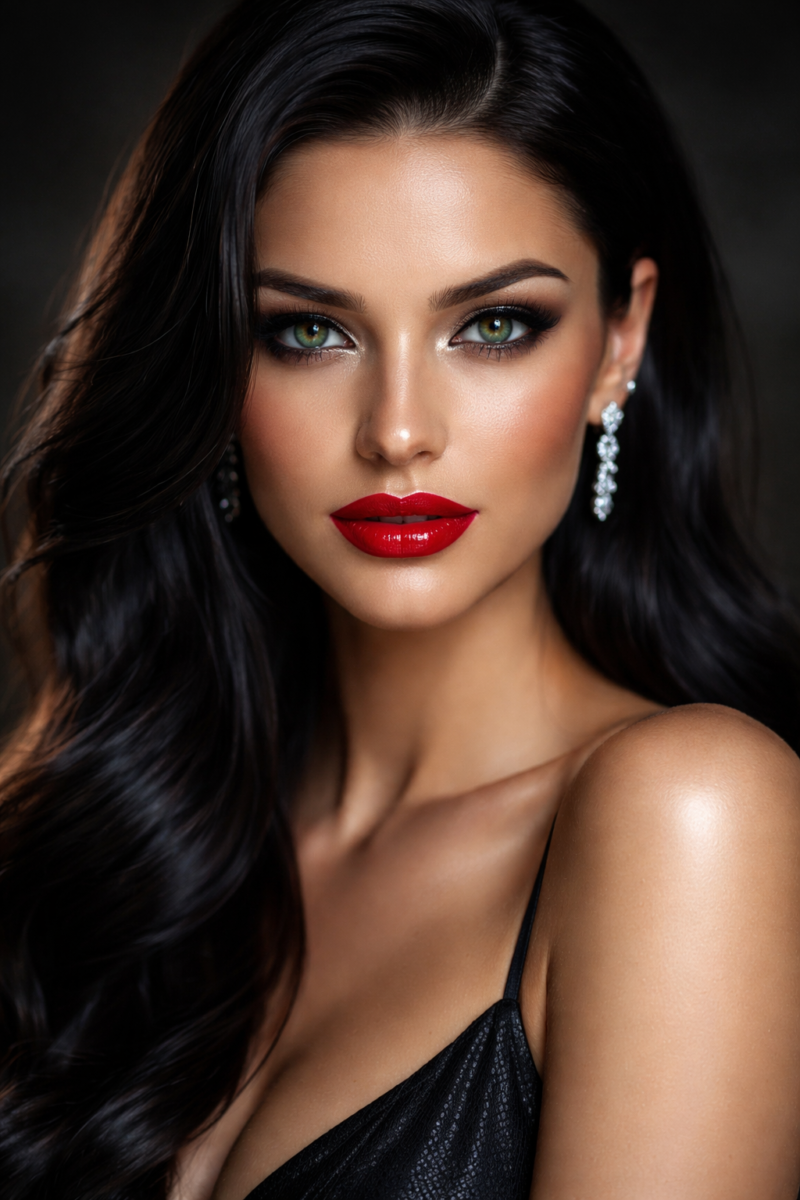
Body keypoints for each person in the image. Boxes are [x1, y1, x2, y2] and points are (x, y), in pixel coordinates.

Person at [2, 0, 800, 1196]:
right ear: (214, 361)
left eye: (491, 325)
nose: (397, 433)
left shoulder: (692, 815)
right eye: (309, 333)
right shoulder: (107, 838)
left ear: (619, 340)